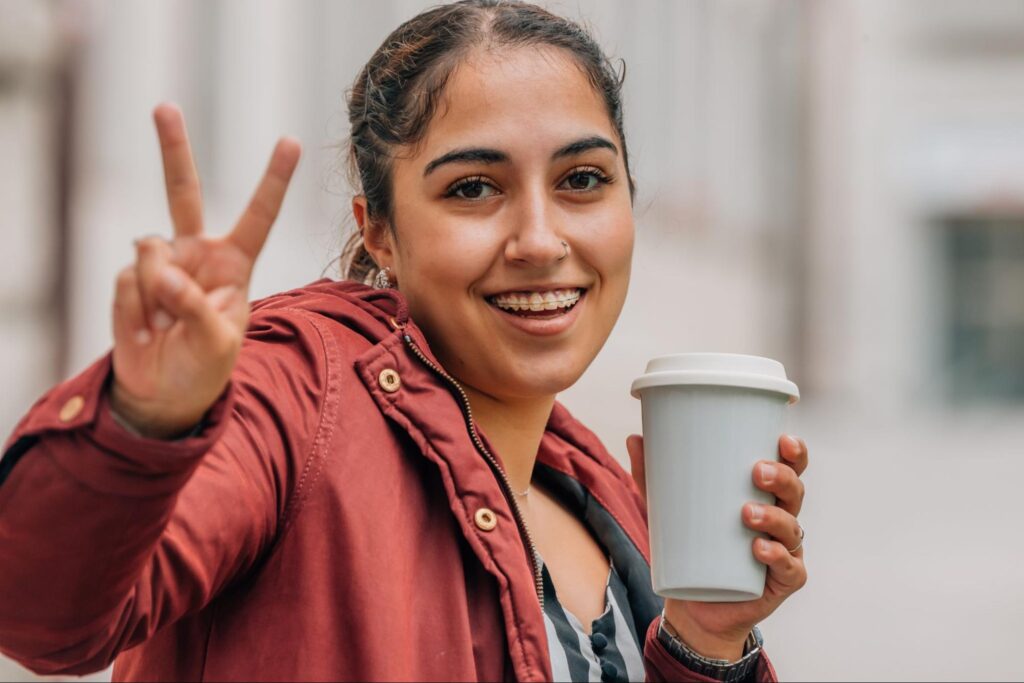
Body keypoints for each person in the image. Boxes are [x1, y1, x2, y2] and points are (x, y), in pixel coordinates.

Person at [0, 1, 809, 681]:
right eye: (473, 188)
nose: (539, 238)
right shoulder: (297, 394)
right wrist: (145, 420)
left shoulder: (597, 485)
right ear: (378, 231)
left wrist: (705, 640)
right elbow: (35, 610)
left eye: (582, 180)